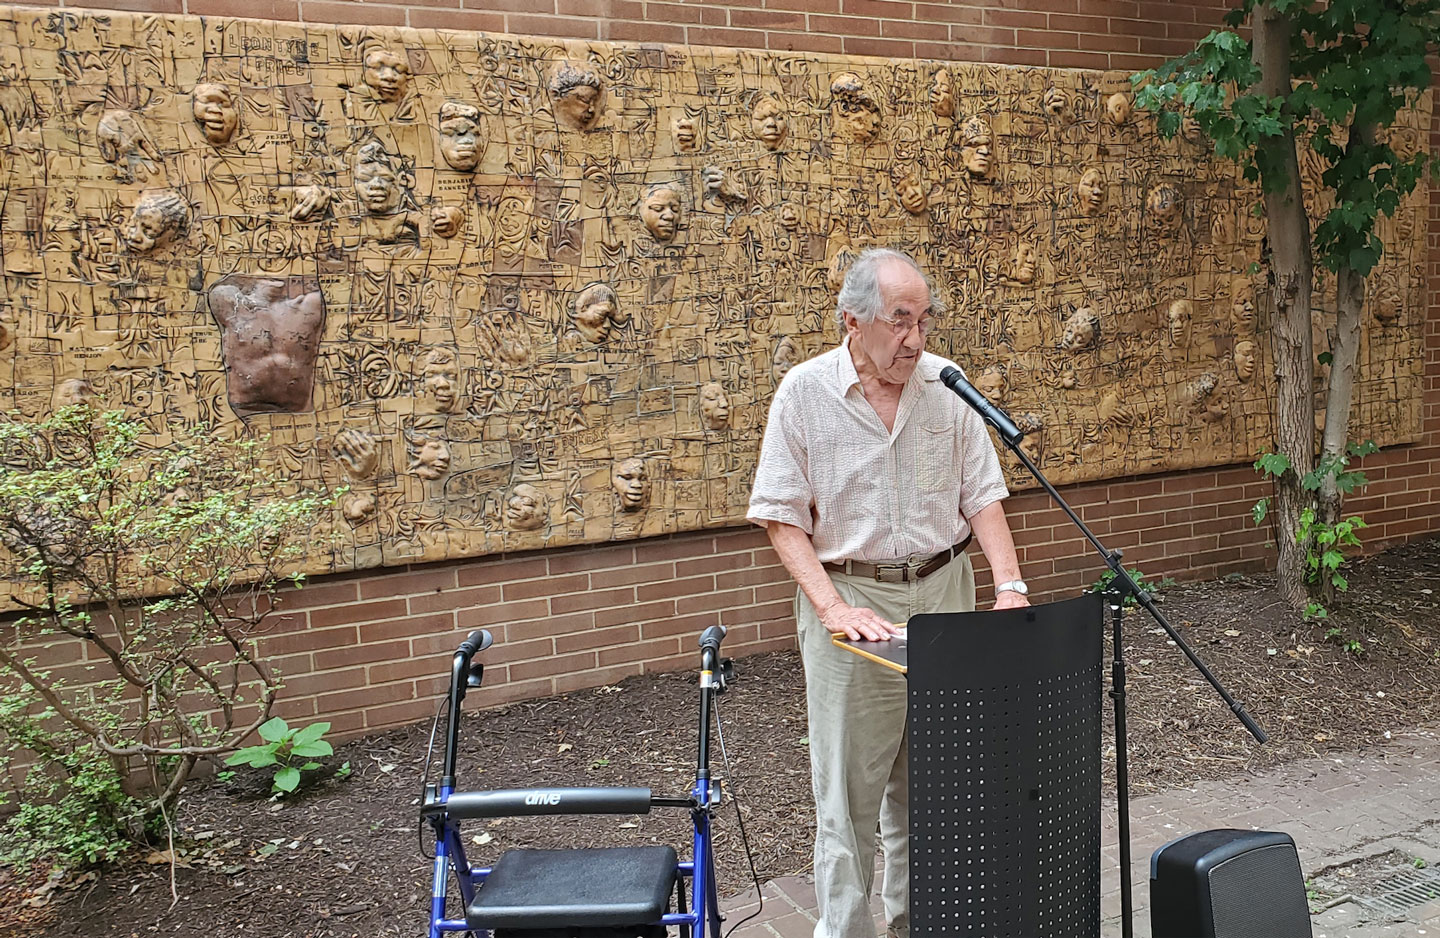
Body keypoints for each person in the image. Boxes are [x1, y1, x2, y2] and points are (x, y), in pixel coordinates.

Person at [747, 247, 1029, 938]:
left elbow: (984, 497)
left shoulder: (946, 386)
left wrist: (1010, 586)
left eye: (924, 320)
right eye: (901, 321)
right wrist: (832, 609)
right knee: (848, 799)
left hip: (945, 593)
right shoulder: (804, 392)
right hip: (852, 607)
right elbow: (780, 517)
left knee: (936, 794)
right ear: (854, 321)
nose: (917, 338)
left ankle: (921, 927)